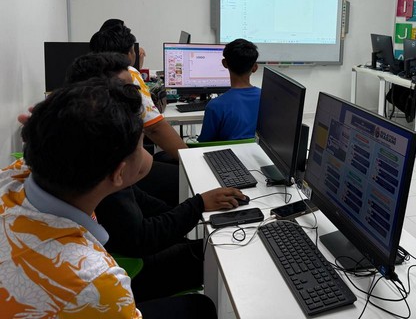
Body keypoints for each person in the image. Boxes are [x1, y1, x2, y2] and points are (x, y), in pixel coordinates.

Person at [0, 78, 217, 318]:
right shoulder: (96, 282)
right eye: (141, 143)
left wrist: (45, 126)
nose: (145, 150)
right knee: (200, 308)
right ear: (118, 174)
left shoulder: (12, 175)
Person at [63, 55, 247, 301]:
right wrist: (196, 206)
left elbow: (136, 199)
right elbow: (140, 238)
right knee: (216, 254)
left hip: (118, 251)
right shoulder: (104, 157)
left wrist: (191, 210)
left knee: (199, 243)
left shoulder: (83, 140)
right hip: (128, 268)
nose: (136, 97)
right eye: (127, 89)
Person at [90, 24, 186, 205]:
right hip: (120, 172)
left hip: (94, 170)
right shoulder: (129, 75)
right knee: (187, 180)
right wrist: (190, 159)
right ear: (130, 54)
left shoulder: (85, 75)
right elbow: (155, 128)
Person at [199, 39, 261, 142]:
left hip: (228, 152)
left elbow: (205, 143)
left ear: (224, 63)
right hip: (259, 150)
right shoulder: (267, 98)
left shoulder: (215, 105)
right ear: (255, 67)